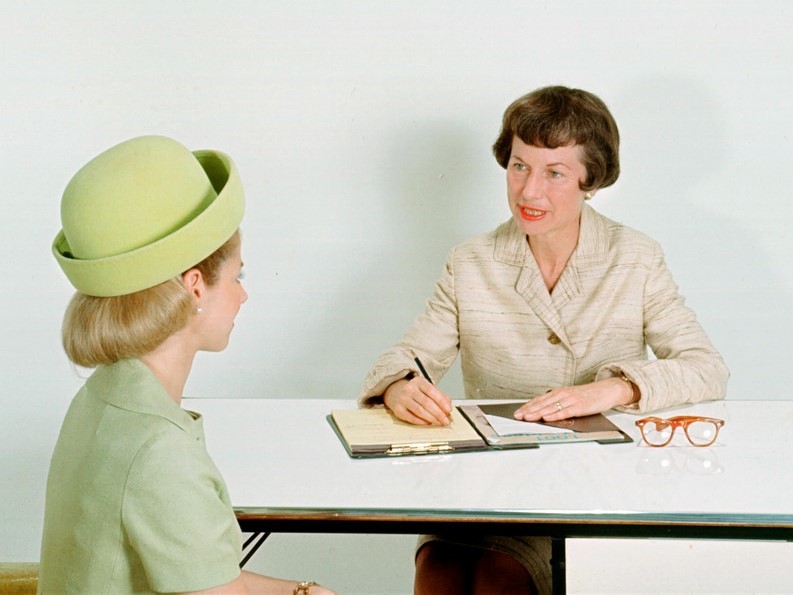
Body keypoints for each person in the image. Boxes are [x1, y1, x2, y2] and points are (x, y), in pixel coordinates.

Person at [358, 86, 729, 595]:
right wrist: (400, 385)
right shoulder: (472, 261)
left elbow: (706, 367)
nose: (529, 192)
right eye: (518, 166)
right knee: (438, 572)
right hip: (485, 483)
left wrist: (614, 389)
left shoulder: (635, 257)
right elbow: (408, 356)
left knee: (497, 579)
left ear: (589, 180)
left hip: (592, 483)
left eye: (554, 173)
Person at [40, 135, 334, 595]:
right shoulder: (159, 448)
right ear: (195, 286)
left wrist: (303, 591)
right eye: (238, 275)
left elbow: (211, 580)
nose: (243, 294)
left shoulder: (104, 395)